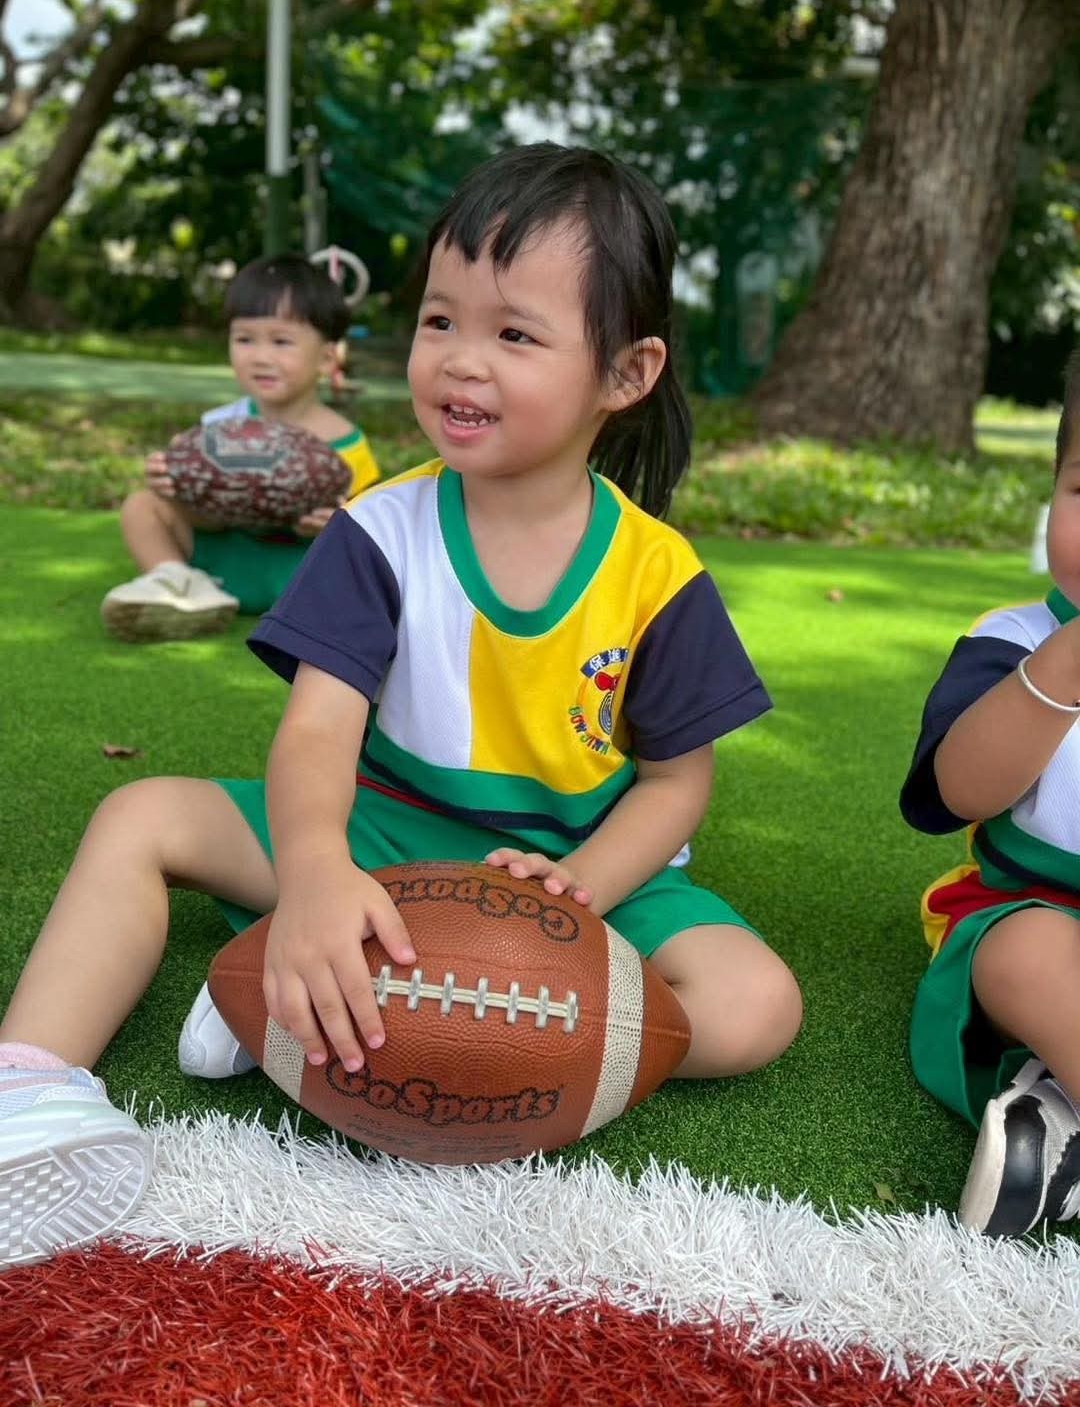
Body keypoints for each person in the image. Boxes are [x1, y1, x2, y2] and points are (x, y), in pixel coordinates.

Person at [0, 143, 802, 1268]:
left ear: (626, 374)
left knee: (755, 1006)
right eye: (440, 321)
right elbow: (317, 731)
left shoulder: (658, 574)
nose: (461, 361)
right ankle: (30, 1087)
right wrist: (317, 871)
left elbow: (676, 783)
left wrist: (580, 890)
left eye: (514, 334)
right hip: (382, 834)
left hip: (567, 864)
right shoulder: (379, 528)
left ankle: (309, 1008)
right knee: (140, 817)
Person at [900, 348, 1080, 1237]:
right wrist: (1063, 669)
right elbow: (954, 792)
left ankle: (1055, 1129)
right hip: (1038, 909)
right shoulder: (1016, 641)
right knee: (1024, 957)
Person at [100, 253, 380, 643]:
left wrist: (328, 526)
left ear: (327, 358)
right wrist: (174, 485)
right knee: (141, 505)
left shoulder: (347, 445)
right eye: (244, 339)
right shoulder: (220, 425)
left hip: (294, 571)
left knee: (352, 561)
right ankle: (178, 583)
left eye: (281, 341)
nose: (260, 357)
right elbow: (208, 520)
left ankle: (281, 607)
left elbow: (370, 539)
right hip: (225, 560)